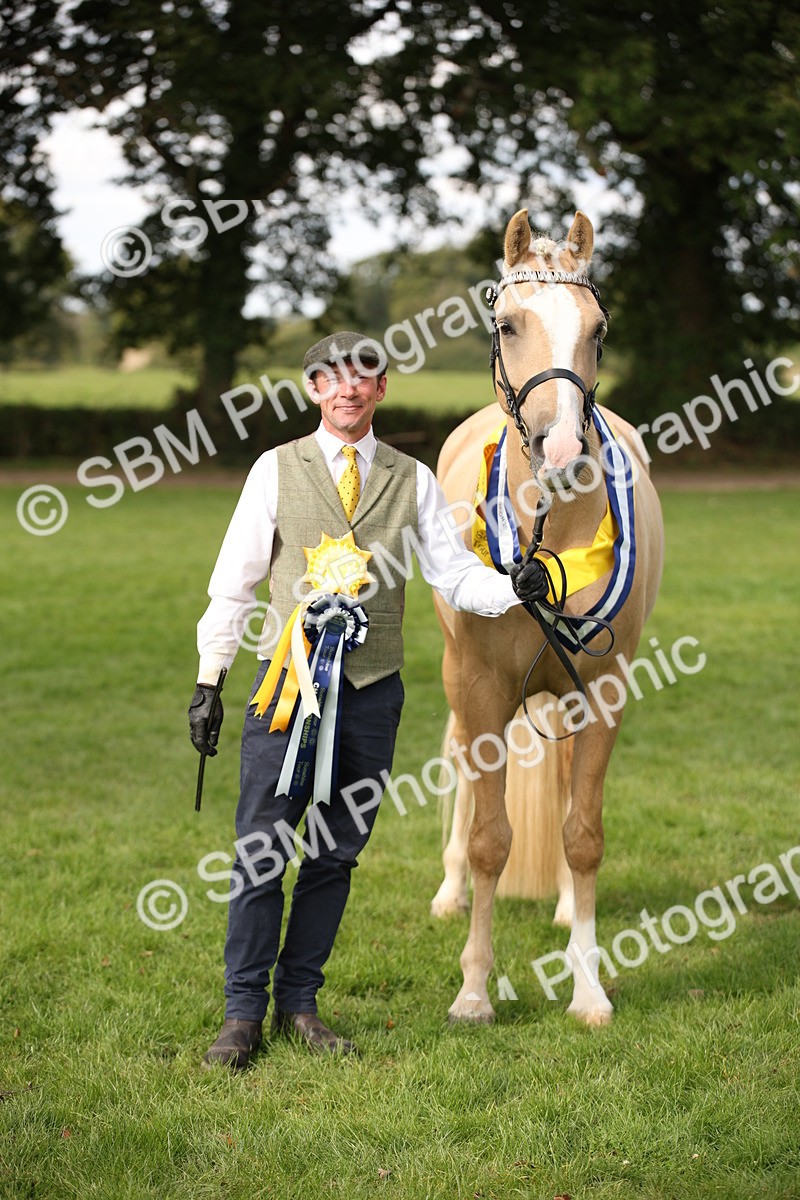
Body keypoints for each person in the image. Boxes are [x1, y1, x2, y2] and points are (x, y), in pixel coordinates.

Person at [188, 330, 548, 1070]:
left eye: (364, 377)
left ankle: (300, 1002)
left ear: (381, 390)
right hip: (286, 691)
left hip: (372, 695)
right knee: (262, 850)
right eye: (332, 377)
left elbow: (454, 577)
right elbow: (235, 579)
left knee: (335, 854)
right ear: (314, 388)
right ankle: (242, 1013)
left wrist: (513, 586)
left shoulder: (413, 479)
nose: (348, 388)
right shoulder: (274, 470)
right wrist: (209, 678)